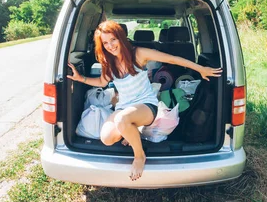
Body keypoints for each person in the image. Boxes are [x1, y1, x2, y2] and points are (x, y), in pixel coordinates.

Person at [67, 20, 222, 181]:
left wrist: (200, 69)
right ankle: (131, 129)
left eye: (113, 39)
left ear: (121, 37)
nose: (111, 45)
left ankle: (139, 156)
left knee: (121, 119)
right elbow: (101, 82)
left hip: (146, 105)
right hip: (124, 107)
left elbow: (173, 59)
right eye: (105, 43)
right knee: (106, 138)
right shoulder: (108, 61)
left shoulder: (138, 53)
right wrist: (81, 78)